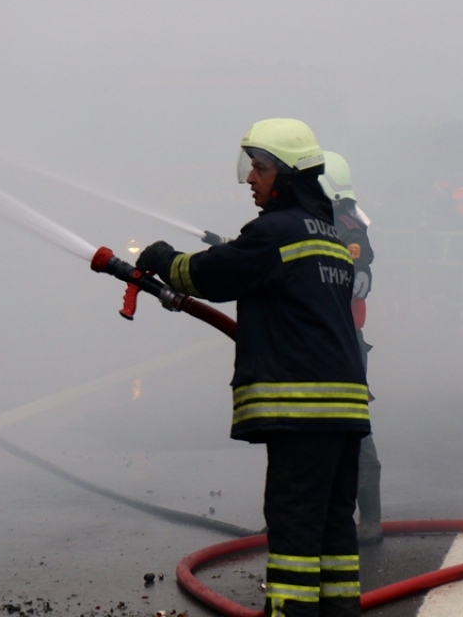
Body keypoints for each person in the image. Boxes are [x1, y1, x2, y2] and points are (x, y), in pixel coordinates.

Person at [136, 119, 368, 617]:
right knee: (333, 525)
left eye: (259, 168)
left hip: (302, 409)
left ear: (285, 174)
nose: (250, 179)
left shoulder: (274, 232)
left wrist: (163, 259)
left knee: (293, 524)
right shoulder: (328, 236)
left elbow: (211, 275)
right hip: (344, 410)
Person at [318, 151, 382, 546]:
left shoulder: (344, 222)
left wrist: (360, 269)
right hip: (316, 343)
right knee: (301, 436)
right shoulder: (325, 219)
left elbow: (359, 253)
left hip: (340, 347)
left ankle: (370, 519)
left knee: (355, 434)